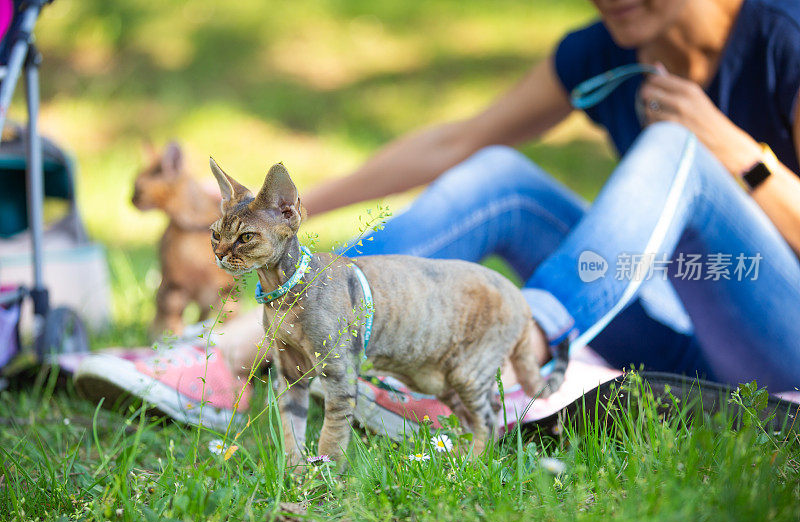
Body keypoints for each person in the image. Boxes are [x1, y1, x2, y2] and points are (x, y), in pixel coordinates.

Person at [76, 0, 800, 435]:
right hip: (676, 333)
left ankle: (531, 343)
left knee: (675, 146)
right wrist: (275, 216)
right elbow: (455, 141)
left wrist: (741, 156)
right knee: (498, 175)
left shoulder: (781, 35)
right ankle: (239, 346)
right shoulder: (605, 50)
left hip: (782, 344)